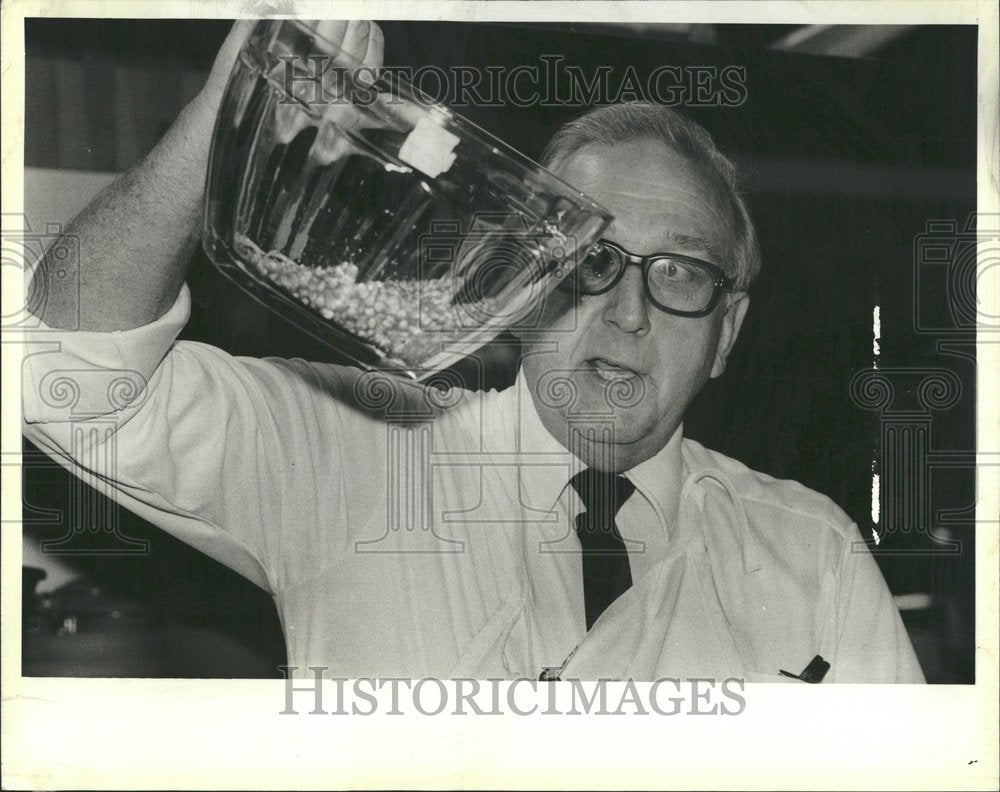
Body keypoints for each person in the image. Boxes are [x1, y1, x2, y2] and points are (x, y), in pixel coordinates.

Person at [21, 20, 924, 682]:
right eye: (592, 261)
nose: (629, 314)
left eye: (682, 274)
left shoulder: (815, 555)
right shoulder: (352, 447)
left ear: (726, 332)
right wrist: (233, 102)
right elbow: (66, 371)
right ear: (525, 281)